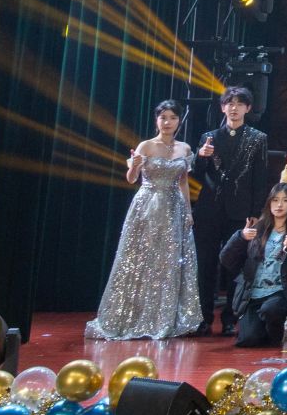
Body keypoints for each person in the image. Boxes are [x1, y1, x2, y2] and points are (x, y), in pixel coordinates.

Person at [88, 100, 205, 340]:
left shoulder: (184, 149)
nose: (167, 122)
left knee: (168, 261)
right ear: (156, 120)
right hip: (148, 205)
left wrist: (188, 210)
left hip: (173, 208)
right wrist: (135, 166)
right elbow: (132, 179)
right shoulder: (146, 146)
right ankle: (133, 316)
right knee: (141, 259)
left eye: (172, 117)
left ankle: (163, 318)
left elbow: (183, 181)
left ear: (179, 121)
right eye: (163, 117)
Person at [193, 86, 274, 337]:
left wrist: (256, 212)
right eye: (230, 103)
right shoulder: (208, 137)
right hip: (209, 210)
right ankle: (204, 318)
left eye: (239, 103)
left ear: (248, 108)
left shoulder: (258, 138)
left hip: (240, 212)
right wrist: (201, 156)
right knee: (205, 265)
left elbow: (260, 178)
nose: (234, 108)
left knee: (234, 265)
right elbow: (196, 175)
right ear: (222, 107)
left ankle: (230, 318)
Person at [219, 183, 287, 348]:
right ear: (269, 203)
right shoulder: (257, 229)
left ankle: (279, 330)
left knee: (270, 309)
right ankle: (266, 330)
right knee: (248, 340)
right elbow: (226, 259)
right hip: (253, 294)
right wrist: (240, 237)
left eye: (285, 200)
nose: (279, 205)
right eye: (275, 200)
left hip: (280, 293)